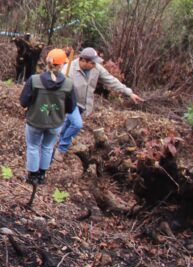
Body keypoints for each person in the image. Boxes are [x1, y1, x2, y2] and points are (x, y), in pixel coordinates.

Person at [54, 47, 144, 159]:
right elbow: (57, 86)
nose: (94, 65)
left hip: (85, 104)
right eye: (92, 62)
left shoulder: (96, 68)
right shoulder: (68, 69)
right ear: (83, 61)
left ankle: (59, 140)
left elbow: (110, 80)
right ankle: (61, 149)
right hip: (70, 102)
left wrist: (129, 93)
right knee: (77, 124)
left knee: (69, 123)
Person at [20, 49, 76, 184]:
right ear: (62, 65)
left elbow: (23, 102)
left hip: (35, 121)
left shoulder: (34, 80)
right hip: (55, 123)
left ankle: (32, 176)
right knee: (48, 147)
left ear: (47, 62)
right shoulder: (68, 84)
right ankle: (42, 175)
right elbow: (71, 107)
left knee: (33, 146)